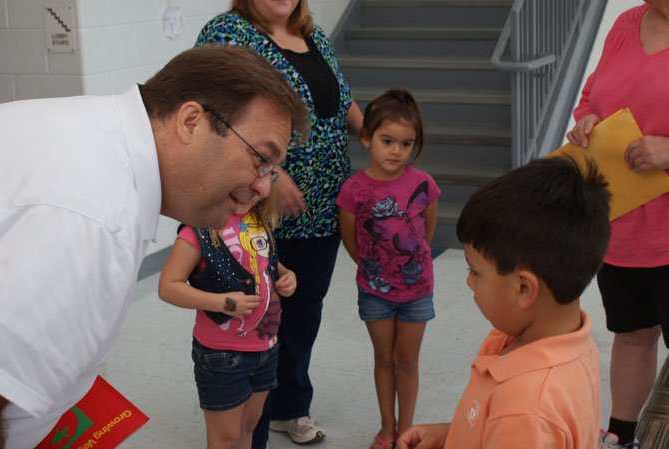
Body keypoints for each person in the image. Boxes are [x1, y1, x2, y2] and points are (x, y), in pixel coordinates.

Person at [0, 44, 309, 449]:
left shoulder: (91, 133)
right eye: (260, 160)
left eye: (272, 170)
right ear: (191, 121)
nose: (265, 186)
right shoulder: (96, 223)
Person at [196, 1, 364, 446]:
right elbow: (216, 115)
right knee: (258, 311)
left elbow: (341, 97)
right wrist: (275, 174)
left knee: (304, 308)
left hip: (322, 204)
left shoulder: (313, 34)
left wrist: (374, 132)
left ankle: (291, 406)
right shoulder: (228, 33)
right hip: (259, 204)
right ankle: (250, 420)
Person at [397, 156, 611, 449]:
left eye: (475, 272)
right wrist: (453, 433)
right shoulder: (569, 342)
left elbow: (519, 425)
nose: (469, 282)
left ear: (524, 289)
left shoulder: (525, 409)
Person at [565, 2, 669, 447]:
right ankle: (621, 436)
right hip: (621, 222)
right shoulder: (627, 23)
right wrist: (586, 120)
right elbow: (592, 96)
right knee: (632, 333)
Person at [336, 89, 440, 449]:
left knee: (406, 361)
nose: (397, 150)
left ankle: (407, 430)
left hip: (416, 291)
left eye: (406, 143)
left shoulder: (423, 184)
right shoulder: (353, 189)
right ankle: (387, 427)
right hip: (375, 290)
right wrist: (373, 269)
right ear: (366, 138)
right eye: (387, 140)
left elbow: (426, 231)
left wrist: (407, 263)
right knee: (384, 359)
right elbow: (350, 238)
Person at [158, 178, 296, 449]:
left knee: (248, 429)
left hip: (265, 348)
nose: (253, 191)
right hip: (223, 356)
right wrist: (223, 303)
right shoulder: (198, 230)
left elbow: (266, 261)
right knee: (225, 438)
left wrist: (287, 274)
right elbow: (168, 287)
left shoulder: (257, 218)